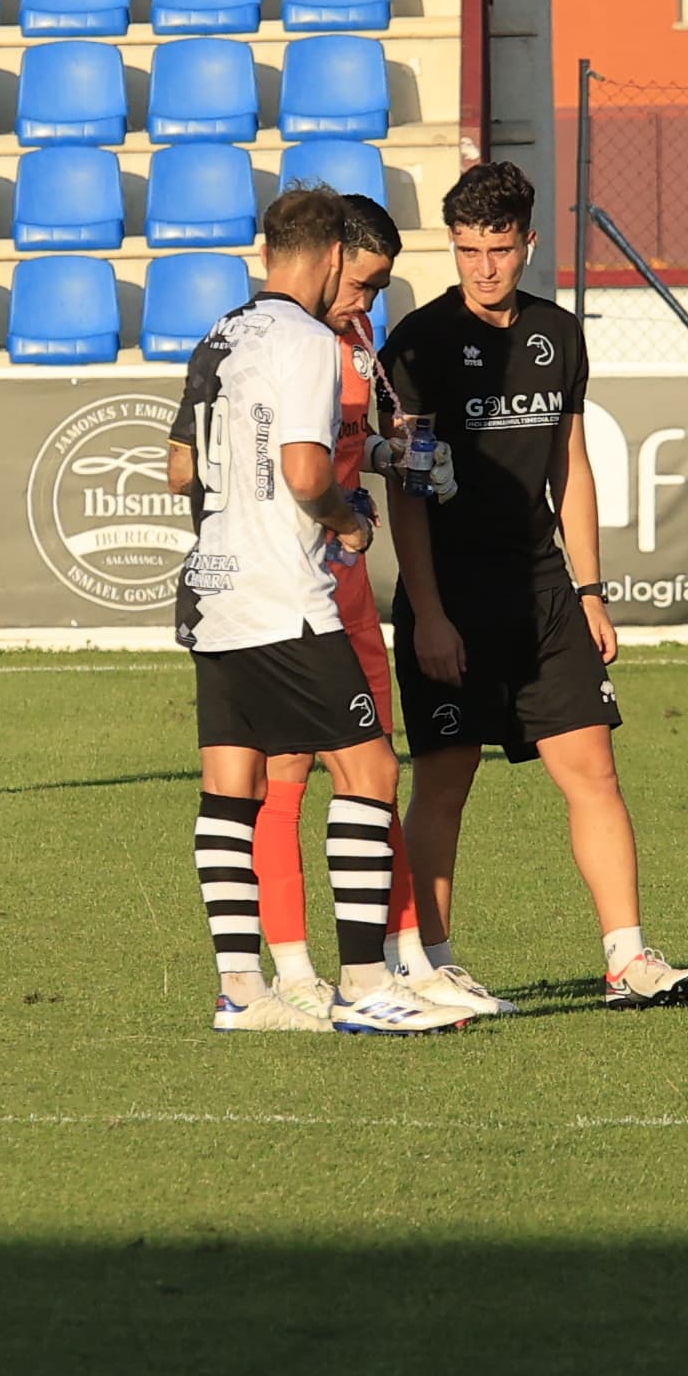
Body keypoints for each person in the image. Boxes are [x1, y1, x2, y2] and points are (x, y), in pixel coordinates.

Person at [385, 160, 688, 1010]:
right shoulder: (415, 345)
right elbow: (408, 492)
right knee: (446, 777)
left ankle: (628, 961)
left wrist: (592, 590)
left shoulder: (558, 334)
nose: (483, 267)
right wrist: (427, 615)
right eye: (466, 250)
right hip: (449, 596)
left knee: (593, 770)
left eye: (498, 248)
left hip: (544, 592)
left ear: (528, 242)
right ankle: (429, 964)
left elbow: (571, 461)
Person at [169, 186, 448, 1036]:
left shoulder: (221, 333)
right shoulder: (307, 341)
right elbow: (302, 472)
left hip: (212, 588)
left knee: (232, 785)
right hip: (285, 594)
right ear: (331, 256)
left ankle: (242, 992)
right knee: (369, 772)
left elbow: (179, 469)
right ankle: (366, 982)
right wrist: (348, 519)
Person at [248, 192, 491, 1025]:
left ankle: (406, 956)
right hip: (284, 592)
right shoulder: (282, 343)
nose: (370, 302)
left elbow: (350, 449)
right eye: (364, 282)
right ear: (328, 259)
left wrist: (401, 455)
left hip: (346, 592)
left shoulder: (355, 343)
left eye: (383, 288)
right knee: (282, 781)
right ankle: (293, 970)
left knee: (374, 777)